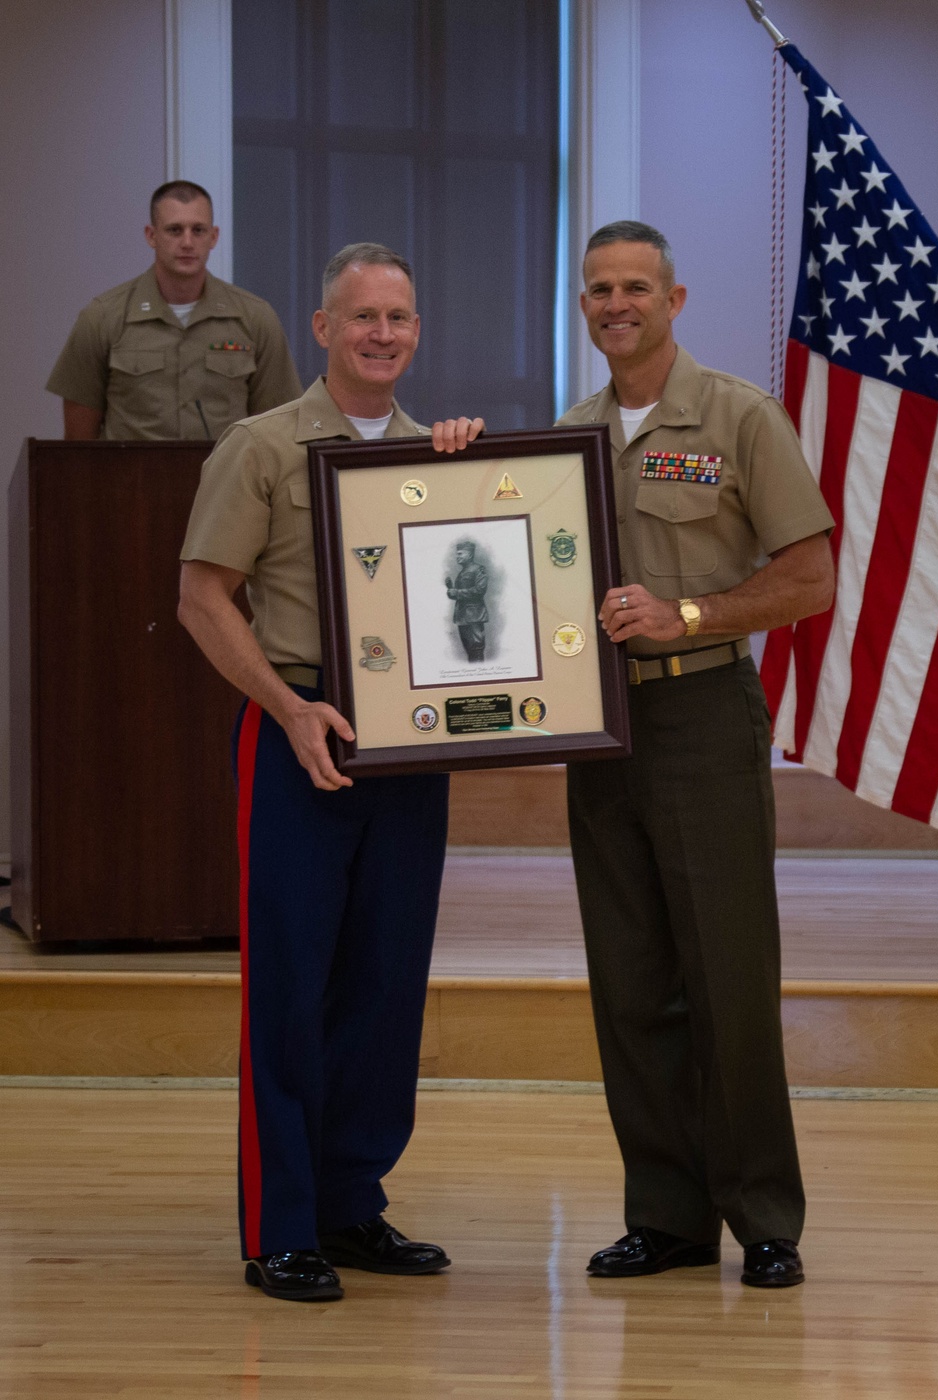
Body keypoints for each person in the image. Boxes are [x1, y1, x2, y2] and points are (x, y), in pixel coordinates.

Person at [178, 242, 483, 1302]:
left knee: (385, 984)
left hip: (407, 745)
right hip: (297, 733)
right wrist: (289, 708)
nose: (383, 335)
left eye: (399, 317)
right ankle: (282, 1224)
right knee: (292, 987)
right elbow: (203, 596)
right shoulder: (259, 448)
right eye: (362, 317)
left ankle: (354, 1202)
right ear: (321, 328)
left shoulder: (437, 451)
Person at [558, 221, 835, 1289]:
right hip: (600, 731)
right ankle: (666, 1214)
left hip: (704, 713)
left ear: (675, 298)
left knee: (726, 974)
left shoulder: (736, 418)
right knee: (629, 982)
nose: (615, 304)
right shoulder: (569, 432)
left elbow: (808, 578)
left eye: (635, 286)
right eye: (597, 289)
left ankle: (764, 1214)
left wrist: (688, 612)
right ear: (582, 306)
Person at [47, 180, 301, 440]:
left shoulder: (255, 318)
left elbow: (276, 428)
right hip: (130, 479)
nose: (187, 242)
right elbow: (79, 444)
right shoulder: (102, 317)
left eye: (198, 230)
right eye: (175, 230)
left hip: (225, 479)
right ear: (151, 235)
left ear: (213, 237)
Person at [445, 540, 489, 662]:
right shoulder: (461, 573)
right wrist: (450, 589)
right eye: (457, 554)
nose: (457, 556)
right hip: (462, 616)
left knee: (476, 648)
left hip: (474, 616)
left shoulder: (479, 569)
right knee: (469, 649)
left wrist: (456, 592)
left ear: (469, 554)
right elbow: (459, 594)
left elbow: (479, 590)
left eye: (460, 554)